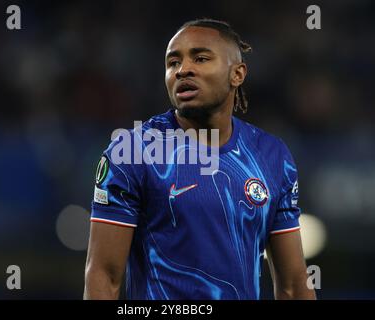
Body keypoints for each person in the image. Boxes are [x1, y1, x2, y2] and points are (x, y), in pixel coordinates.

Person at [84, 18, 316, 300]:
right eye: (173, 63)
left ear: (237, 74)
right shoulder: (131, 152)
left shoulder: (272, 156)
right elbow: (103, 276)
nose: (183, 70)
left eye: (201, 58)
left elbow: (293, 284)